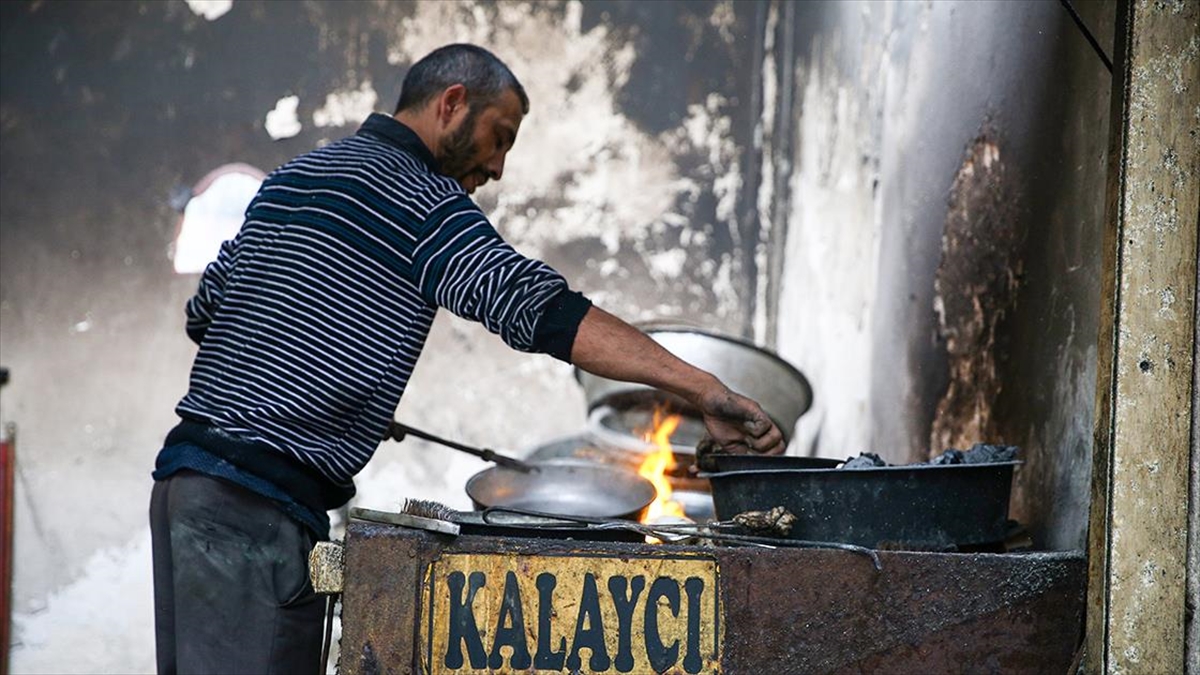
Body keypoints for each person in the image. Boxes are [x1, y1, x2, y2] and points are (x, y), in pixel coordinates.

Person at [149, 43, 784, 674]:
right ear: (453, 103)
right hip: (252, 508)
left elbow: (206, 313)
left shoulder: (294, 177)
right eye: (498, 136)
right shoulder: (422, 200)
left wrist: (324, 377)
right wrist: (701, 389)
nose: (498, 166)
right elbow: (537, 309)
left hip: (185, 487)